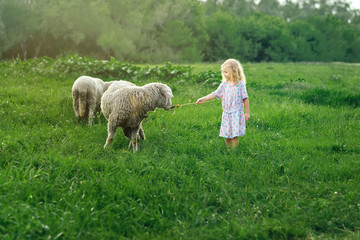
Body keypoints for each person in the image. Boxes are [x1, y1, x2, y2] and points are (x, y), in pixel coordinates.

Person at [196, 59, 250, 149]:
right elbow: (215, 94)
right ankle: (228, 150)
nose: (224, 74)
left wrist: (247, 112)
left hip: (236, 113)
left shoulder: (240, 85)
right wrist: (204, 98)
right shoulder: (224, 85)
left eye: (226, 72)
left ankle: (234, 152)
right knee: (226, 135)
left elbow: (245, 98)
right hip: (226, 113)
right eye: (223, 72)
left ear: (234, 71)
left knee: (234, 135)